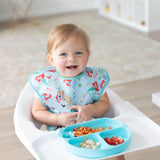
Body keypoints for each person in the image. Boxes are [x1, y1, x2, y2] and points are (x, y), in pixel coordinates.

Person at [29, 23, 125, 160]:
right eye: (63, 54)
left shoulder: (93, 79)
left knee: (116, 153)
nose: (72, 59)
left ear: (88, 54)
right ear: (51, 59)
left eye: (78, 53)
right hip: (61, 134)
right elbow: (37, 111)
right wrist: (57, 119)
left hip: (92, 129)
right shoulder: (46, 83)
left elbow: (104, 103)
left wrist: (90, 110)